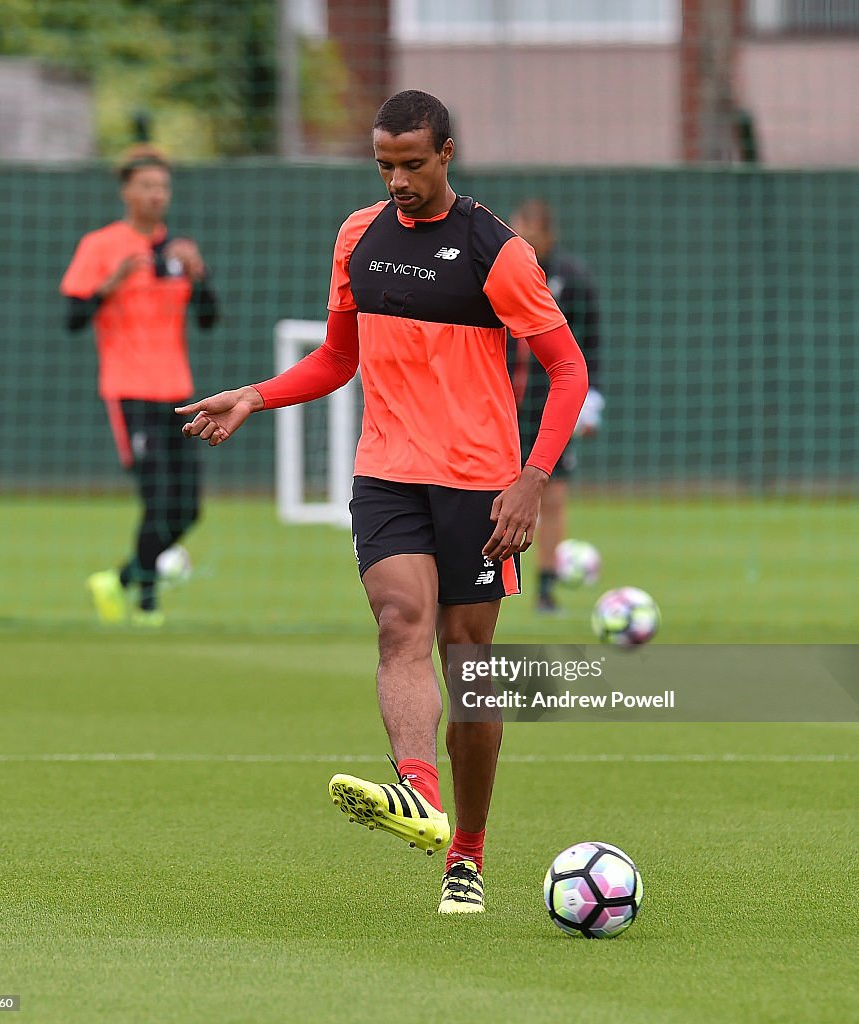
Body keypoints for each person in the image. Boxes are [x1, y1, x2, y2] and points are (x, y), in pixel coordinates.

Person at [177, 92, 587, 913]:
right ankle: (417, 792)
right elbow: (337, 357)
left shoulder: (498, 253)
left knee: (470, 669)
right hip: (389, 472)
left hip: (479, 482)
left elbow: (568, 370)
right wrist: (256, 396)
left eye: (411, 163)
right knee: (400, 622)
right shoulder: (356, 238)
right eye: (384, 165)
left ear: (446, 155)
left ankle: (465, 853)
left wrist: (531, 478)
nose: (397, 180)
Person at [60, 146, 219, 627]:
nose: (156, 195)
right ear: (127, 191)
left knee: (188, 507)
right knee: (156, 499)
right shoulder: (101, 245)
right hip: (128, 391)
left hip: (178, 392)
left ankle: (121, 578)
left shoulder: (177, 251)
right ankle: (148, 603)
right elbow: (72, 318)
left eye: (163, 187)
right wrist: (110, 283)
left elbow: (210, 319)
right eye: (147, 186)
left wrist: (200, 274)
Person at [508, 199, 604, 613]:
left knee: (555, 494)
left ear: (547, 233)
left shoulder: (572, 278)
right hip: (503, 403)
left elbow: (592, 340)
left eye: (529, 228)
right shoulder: (500, 269)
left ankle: (546, 588)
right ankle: (486, 579)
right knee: (486, 493)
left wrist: (591, 397)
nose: (521, 234)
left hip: (552, 404)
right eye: (517, 227)